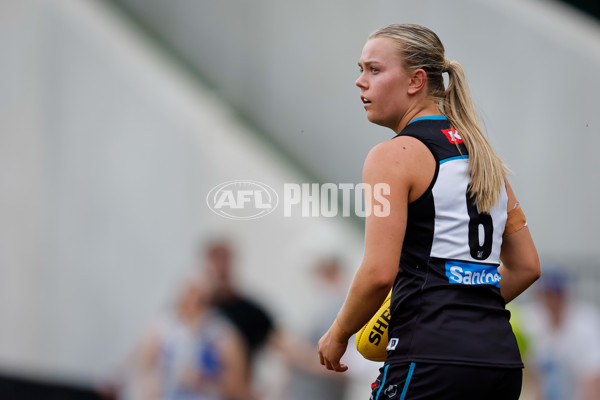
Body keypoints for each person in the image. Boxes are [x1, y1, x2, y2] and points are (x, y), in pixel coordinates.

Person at [317, 24, 541, 399]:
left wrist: (338, 333)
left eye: (374, 69)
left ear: (416, 81)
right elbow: (526, 267)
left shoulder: (392, 156)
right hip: (499, 363)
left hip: (430, 359)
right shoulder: (485, 157)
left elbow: (378, 273)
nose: (360, 81)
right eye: (361, 69)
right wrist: (464, 312)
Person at [105, 273, 248, 400]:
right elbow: (141, 368)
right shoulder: (161, 327)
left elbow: (237, 383)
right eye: (190, 295)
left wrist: (209, 379)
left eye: (202, 300)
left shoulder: (222, 333)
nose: (194, 304)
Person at [521, 267, 600, 400]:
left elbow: (593, 375)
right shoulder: (526, 319)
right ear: (540, 295)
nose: (553, 300)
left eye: (558, 294)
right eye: (549, 294)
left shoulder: (586, 321)